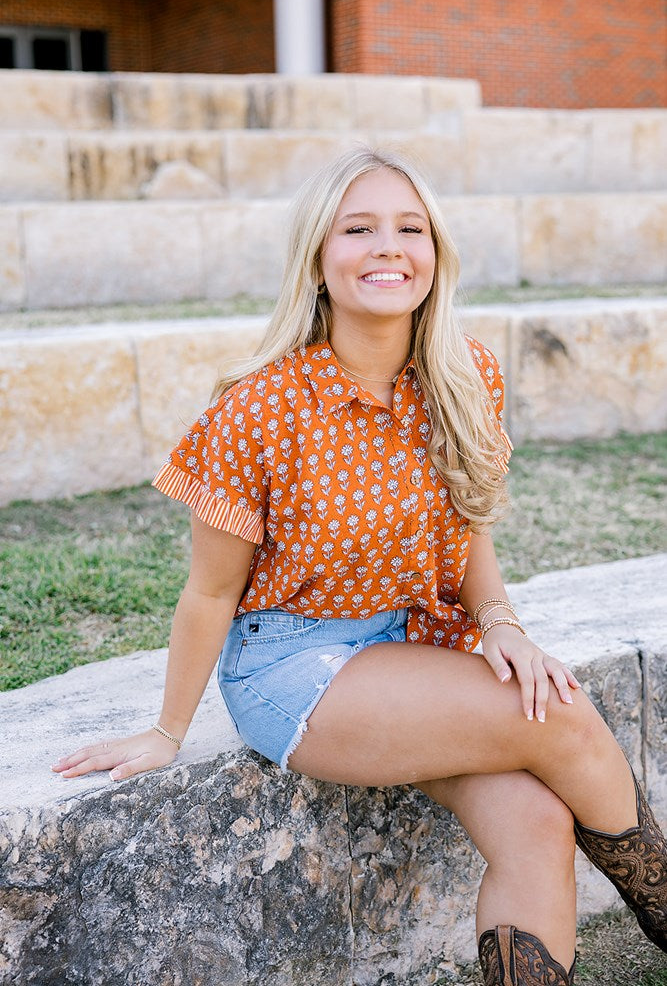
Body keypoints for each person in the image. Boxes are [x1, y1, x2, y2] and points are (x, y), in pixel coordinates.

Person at [52, 148, 666, 985]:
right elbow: (209, 592)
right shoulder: (258, 409)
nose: (388, 247)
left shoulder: (462, 375)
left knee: (532, 819)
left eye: (409, 228)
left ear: (435, 254)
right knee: (559, 716)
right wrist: (166, 733)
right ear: (318, 256)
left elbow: (467, 532)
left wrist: (502, 625)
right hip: (293, 664)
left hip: (410, 647)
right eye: (359, 228)